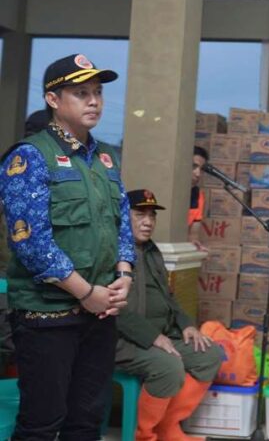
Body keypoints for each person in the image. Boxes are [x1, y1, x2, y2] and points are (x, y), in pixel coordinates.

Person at [0, 53, 133, 440]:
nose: (94, 101)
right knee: (42, 423)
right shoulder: (30, 156)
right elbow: (31, 242)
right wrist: (86, 292)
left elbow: (122, 223)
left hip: (100, 314)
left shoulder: (106, 158)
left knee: (87, 422)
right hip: (48, 316)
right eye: (80, 93)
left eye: (98, 92)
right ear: (53, 100)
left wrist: (124, 274)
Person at [116, 189, 222, 441]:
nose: (148, 221)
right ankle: (145, 435)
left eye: (152, 216)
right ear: (122, 215)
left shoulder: (152, 252)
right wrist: (153, 337)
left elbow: (168, 297)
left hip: (159, 336)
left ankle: (167, 428)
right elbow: (111, 308)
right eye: (140, 214)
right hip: (119, 340)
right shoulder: (112, 251)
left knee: (209, 354)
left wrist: (186, 324)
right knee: (168, 366)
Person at [187, 146, 208, 251]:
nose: (198, 174)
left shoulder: (198, 196)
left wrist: (196, 247)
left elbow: (193, 236)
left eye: (201, 169)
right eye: (194, 166)